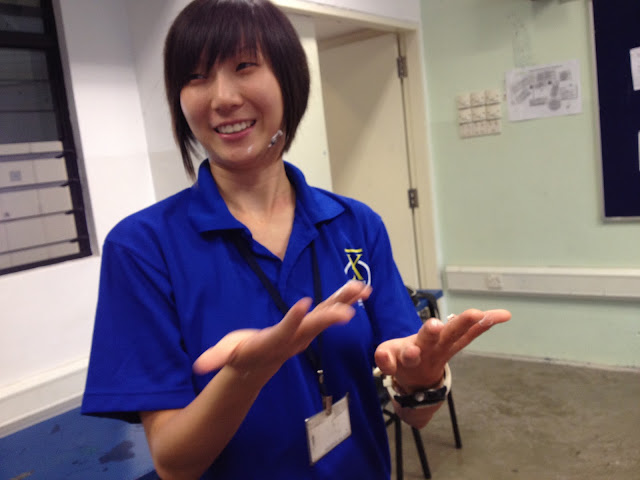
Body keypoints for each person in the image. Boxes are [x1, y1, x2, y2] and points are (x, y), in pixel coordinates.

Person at [81, 0, 511, 478]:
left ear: (288, 79)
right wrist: (245, 375)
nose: (221, 97)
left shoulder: (355, 224)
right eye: (196, 76)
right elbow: (173, 463)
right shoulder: (143, 248)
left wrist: (424, 378)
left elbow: (416, 413)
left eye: (244, 67)